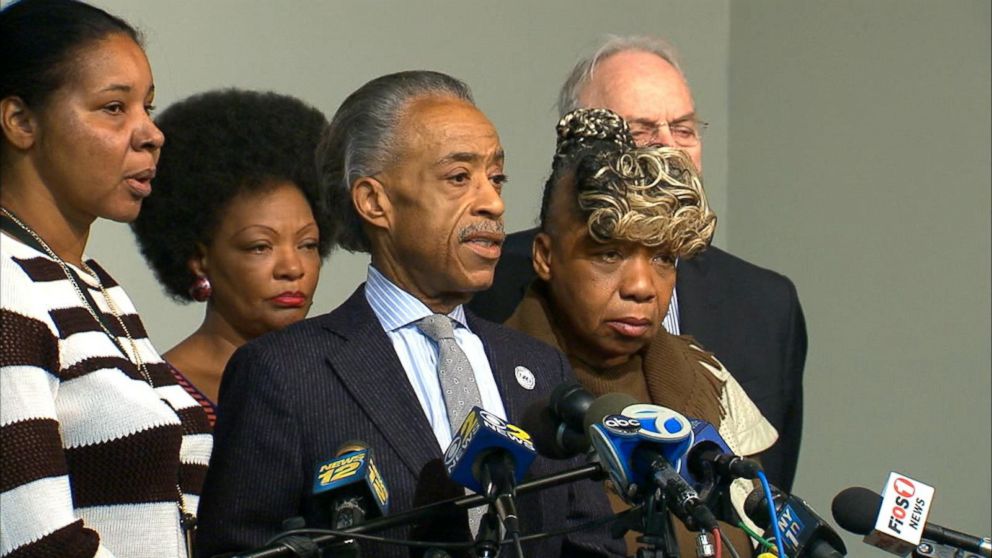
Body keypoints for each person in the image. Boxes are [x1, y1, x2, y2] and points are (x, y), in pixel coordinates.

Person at [195, 70, 625, 558]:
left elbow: (593, 546)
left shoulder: (540, 368)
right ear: (375, 201)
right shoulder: (285, 373)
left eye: (496, 177)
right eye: (458, 177)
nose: (493, 202)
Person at [468, 35, 807, 492]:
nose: (668, 150)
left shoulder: (766, 306)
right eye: (641, 133)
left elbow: (768, 500)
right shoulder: (481, 287)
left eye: (684, 130)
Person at [508, 107, 776, 556]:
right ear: (545, 257)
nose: (641, 287)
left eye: (663, 259)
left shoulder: (708, 377)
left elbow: (761, 535)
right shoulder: (486, 380)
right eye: (609, 254)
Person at [0, 1, 212, 556]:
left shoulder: (96, 285)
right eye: (114, 108)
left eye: (148, 107)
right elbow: (35, 541)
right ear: (21, 122)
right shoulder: (5, 279)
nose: (152, 134)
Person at [130, 88, 332, 423]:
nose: (292, 268)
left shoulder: (339, 385)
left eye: (307, 245)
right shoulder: (158, 399)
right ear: (199, 258)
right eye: (259, 246)